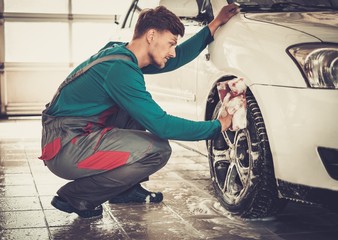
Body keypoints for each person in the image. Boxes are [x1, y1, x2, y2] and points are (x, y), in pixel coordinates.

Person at [39, 3, 239, 218]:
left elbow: (176, 58)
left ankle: (124, 190)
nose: (172, 52)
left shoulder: (120, 52)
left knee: (134, 112)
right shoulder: (120, 69)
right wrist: (218, 126)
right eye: (170, 44)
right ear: (151, 35)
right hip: (66, 147)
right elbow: (161, 125)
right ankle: (77, 197)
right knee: (158, 150)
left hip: (71, 135)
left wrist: (215, 24)